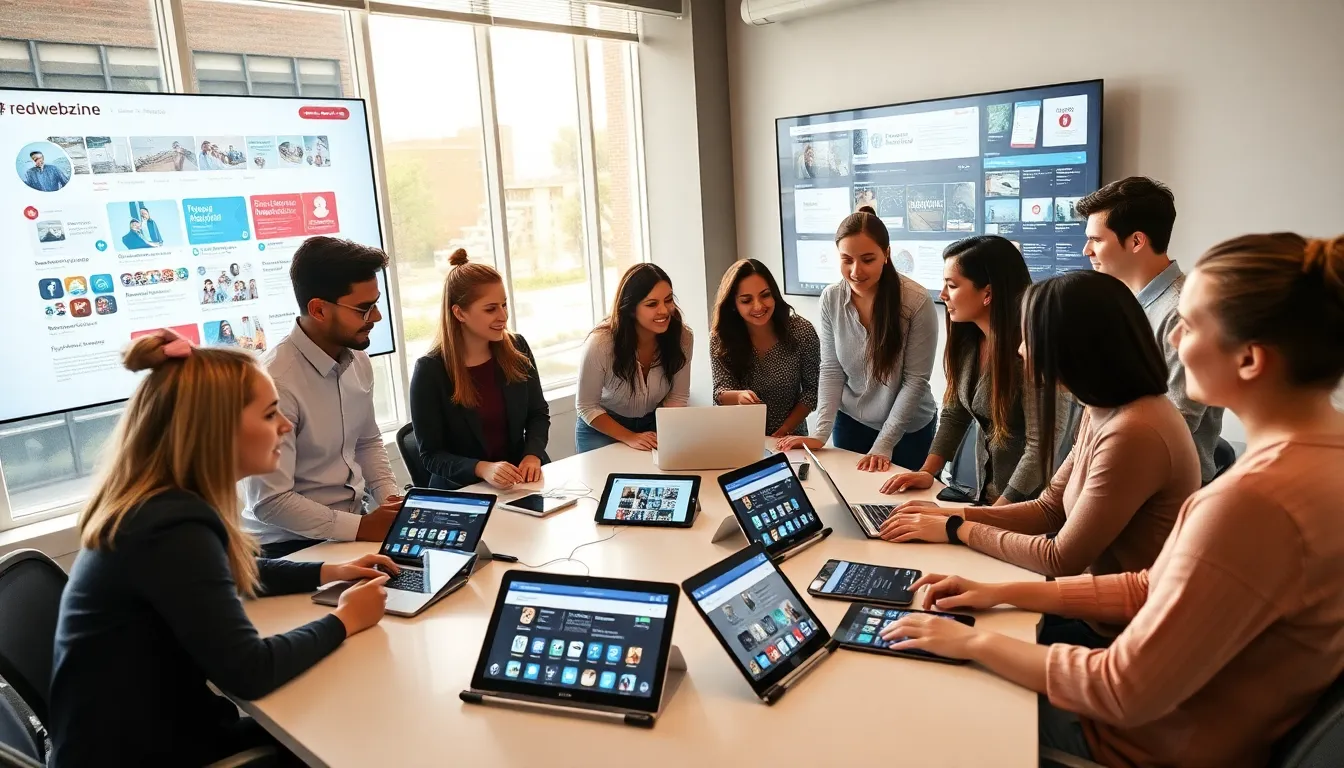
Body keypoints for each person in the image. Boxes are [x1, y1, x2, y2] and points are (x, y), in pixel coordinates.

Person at [880, 233, 1344, 768]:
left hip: (1145, 742)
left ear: (1249, 359)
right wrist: (995, 590)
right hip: (1189, 719)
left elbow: (1122, 689)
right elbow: (1150, 584)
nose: (1172, 344)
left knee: (921, 689)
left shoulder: (1251, 501)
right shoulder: (1314, 462)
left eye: (1187, 328)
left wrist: (971, 644)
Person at [47, 330, 395, 766]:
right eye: (270, 415)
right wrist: (346, 620)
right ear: (217, 429)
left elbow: (234, 570)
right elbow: (251, 671)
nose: (286, 427)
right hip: (150, 753)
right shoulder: (171, 528)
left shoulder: (158, 507)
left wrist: (331, 571)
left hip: (141, 733)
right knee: (345, 733)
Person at [880, 270, 1201, 646]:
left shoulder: (1135, 430)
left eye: (1028, 338)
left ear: (1072, 345)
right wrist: (952, 515)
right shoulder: (1104, 408)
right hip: (1091, 612)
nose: (1019, 350)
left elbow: (1059, 556)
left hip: (1118, 635)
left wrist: (955, 530)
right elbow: (1049, 509)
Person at [241, 236, 402, 559]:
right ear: (319, 309)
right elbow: (270, 502)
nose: (376, 318)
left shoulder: (358, 360)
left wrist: (390, 504)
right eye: (363, 309)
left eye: (376, 304)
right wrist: (362, 528)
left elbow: (367, 442)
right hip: (286, 548)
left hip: (351, 530)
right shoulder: (276, 383)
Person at [881, 236, 1051, 505]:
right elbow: (954, 414)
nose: (942, 295)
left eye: (952, 285)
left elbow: (1040, 447)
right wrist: (928, 472)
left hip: (1028, 505)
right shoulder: (969, 341)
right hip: (989, 495)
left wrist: (993, 514)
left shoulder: (1031, 352)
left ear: (987, 293)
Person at [1075, 176, 1224, 483]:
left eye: (1097, 240)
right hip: (1118, 476)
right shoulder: (1122, 303)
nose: (1085, 250)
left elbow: (1176, 423)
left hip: (1161, 492)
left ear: (1136, 241)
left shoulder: (1183, 312)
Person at [778, 207, 938, 473]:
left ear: (886, 254)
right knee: (851, 500)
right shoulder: (831, 298)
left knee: (901, 507)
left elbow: (915, 381)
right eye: (847, 260)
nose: (856, 271)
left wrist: (884, 443)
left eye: (867, 259)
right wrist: (820, 433)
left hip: (909, 428)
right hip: (852, 421)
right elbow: (831, 369)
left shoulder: (916, 302)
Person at [409, 249, 550, 489]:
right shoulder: (430, 370)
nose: (503, 316)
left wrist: (532, 454)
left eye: (504, 305)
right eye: (490, 309)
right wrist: (482, 468)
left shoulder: (518, 347)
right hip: (463, 490)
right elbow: (431, 455)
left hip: (518, 482)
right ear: (459, 312)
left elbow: (538, 413)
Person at [575, 263, 692, 453]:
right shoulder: (600, 344)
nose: (664, 310)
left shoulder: (683, 337)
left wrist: (667, 432)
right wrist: (629, 437)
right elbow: (587, 406)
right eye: (652, 304)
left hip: (653, 421)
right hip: (603, 426)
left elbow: (678, 396)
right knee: (604, 482)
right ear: (630, 309)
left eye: (668, 300)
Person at [710, 258, 820, 437]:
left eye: (765, 295)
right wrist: (738, 397)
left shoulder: (801, 331)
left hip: (790, 437)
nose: (759, 306)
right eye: (746, 300)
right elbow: (720, 391)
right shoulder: (721, 337)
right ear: (733, 304)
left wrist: (785, 429)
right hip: (739, 437)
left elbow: (811, 392)